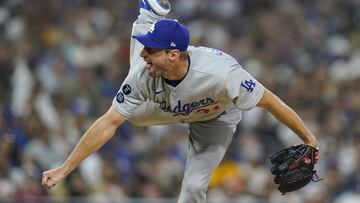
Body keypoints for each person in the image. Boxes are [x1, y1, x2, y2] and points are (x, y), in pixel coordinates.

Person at [42, 0, 318, 202]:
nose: (144, 53)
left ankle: (150, 15)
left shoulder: (223, 75)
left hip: (215, 117)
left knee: (194, 188)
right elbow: (108, 123)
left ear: (173, 54)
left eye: (151, 48)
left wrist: (310, 140)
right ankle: (147, 16)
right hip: (160, 105)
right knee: (133, 106)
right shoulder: (144, 73)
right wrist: (65, 167)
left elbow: (271, 102)